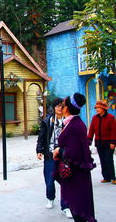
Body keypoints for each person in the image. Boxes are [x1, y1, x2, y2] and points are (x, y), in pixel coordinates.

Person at [53, 93, 96, 222]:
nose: (61, 107)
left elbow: (75, 152)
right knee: (77, 207)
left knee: (79, 210)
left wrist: (59, 150)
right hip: (74, 174)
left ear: (67, 108)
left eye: (63, 105)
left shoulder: (75, 126)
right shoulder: (72, 123)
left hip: (76, 175)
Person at [36, 97, 72, 218]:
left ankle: (66, 206)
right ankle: (50, 198)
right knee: (49, 179)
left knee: (65, 180)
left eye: (61, 106)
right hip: (50, 154)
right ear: (54, 108)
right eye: (57, 106)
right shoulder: (48, 121)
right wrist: (39, 150)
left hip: (63, 154)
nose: (60, 108)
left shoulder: (68, 121)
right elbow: (41, 136)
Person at [88, 100, 116, 184]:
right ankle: (106, 177)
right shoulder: (94, 118)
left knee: (108, 159)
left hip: (108, 143)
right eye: (96, 108)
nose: (97, 109)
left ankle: (113, 177)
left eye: (98, 108)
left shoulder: (110, 118)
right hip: (99, 143)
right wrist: (88, 140)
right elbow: (91, 130)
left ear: (103, 108)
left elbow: (114, 131)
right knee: (102, 160)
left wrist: (113, 142)